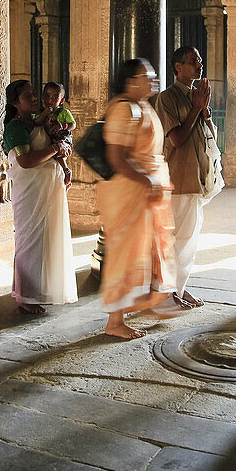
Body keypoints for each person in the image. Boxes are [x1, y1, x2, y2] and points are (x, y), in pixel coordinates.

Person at [97, 58, 182, 339]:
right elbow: (117, 158)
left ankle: (148, 301)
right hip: (128, 192)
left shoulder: (142, 106)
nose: (153, 80)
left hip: (144, 191)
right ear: (131, 81)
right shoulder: (124, 109)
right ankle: (114, 321)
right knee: (124, 255)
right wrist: (146, 180)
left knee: (147, 250)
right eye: (148, 76)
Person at [151, 46, 223, 308]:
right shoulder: (167, 98)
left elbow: (211, 137)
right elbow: (178, 139)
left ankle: (180, 287)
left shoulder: (197, 97)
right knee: (172, 241)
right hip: (176, 179)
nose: (199, 64)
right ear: (178, 67)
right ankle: (165, 294)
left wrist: (204, 110)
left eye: (200, 60)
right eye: (193, 61)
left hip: (196, 177)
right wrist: (195, 108)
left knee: (189, 240)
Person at [3, 79, 79, 314]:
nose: (35, 98)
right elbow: (26, 162)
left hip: (50, 189)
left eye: (34, 94)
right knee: (30, 242)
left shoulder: (44, 121)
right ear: (15, 103)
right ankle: (25, 294)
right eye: (28, 96)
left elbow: (59, 142)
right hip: (31, 192)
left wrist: (65, 168)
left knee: (48, 240)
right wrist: (55, 149)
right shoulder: (16, 128)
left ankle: (42, 290)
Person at [33, 81, 76, 189]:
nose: (50, 100)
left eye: (55, 97)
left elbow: (73, 125)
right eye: (47, 96)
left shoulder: (64, 112)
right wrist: (44, 114)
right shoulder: (40, 112)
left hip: (63, 137)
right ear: (42, 97)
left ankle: (66, 170)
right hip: (50, 138)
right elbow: (36, 122)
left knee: (59, 148)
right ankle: (64, 171)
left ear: (61, 100)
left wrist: (62, 126)